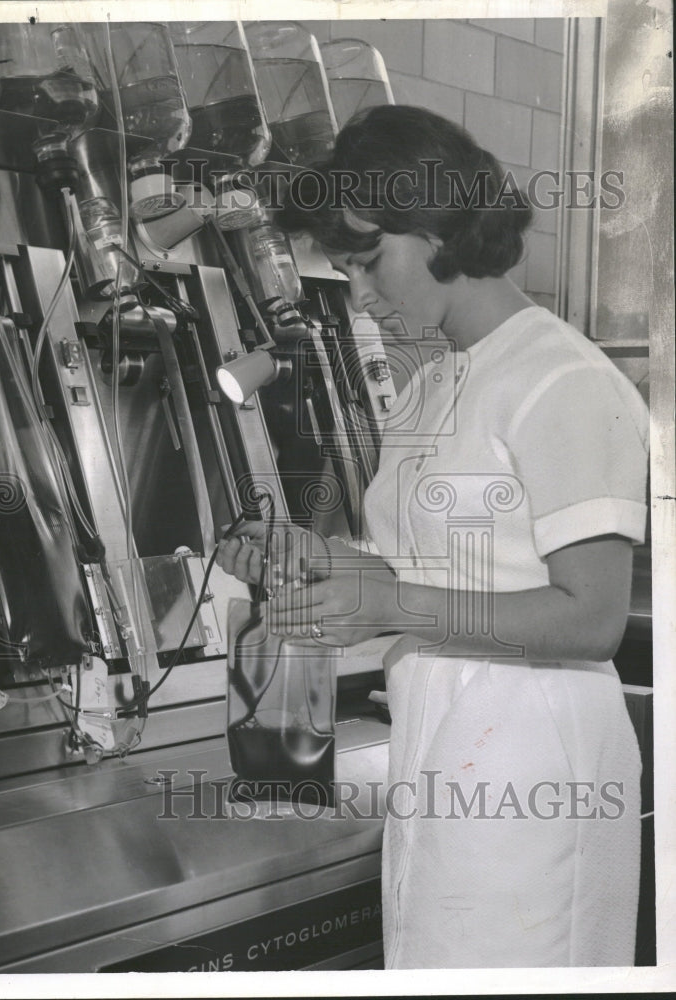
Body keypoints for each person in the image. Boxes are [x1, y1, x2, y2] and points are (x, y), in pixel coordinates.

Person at [216, 105, 649, 968]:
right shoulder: (436, 383)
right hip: (442, 752)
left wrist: (388, 599)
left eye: (369, 261)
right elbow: (435, 567)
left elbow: (592, 616)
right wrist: (320, 562)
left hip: (533, 772)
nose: (361, 292)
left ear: (436, 221)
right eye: (344, 268)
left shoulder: (560, 378)